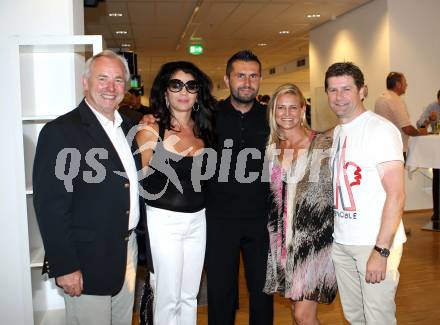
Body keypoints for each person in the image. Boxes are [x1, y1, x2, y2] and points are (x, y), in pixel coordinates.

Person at [33, 50, 153, 325]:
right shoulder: (60, 132)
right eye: (102, 79)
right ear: (85, 82)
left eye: (118, 80)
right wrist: (65, 266)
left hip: (127, 251)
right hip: (86, 259)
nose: (111, 88)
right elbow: (50, 206)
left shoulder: (129, 127)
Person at [326, 62, 407, 324]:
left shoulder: (379, 130)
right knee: (355, 317)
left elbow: (396, 195)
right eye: (333, 90)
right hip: (342, 243)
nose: (339, 97)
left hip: (373, 243)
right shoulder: (338, 132)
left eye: (346, 89)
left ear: (363, 91)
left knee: (378, 319)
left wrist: (381, 251)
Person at [136, 61, 216, 325]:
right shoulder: (150, 129)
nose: (184, 91)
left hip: (198, 219)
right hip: (164, 220)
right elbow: (144, 183)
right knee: (168, 296)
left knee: (189, 295)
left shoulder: (206, 129)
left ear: (198, 93)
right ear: (165, 91)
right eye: (176, 84)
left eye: (191, 85)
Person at [205, 50, 273, 325]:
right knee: (221, 294)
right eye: (240, 75)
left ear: (259, 79)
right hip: (219, 220)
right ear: (227, 79)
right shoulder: (208, 116)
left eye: (253, 76)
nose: (247, 82)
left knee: (262, 294)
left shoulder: (272, 118)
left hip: (262, 220)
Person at [263, 83, 337, 324]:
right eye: (280, 108)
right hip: (283, 242)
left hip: (314, 242)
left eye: (292, 107)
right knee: (297, 310)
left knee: (303, 315)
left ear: (302, 109)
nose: (287, 114)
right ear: (273, 112)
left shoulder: (323, 143)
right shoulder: (271, 149)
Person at [374, 72, 426, 157]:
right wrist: (420, 133)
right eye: (405, 82)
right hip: (395, 150)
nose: (406, 85)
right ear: (398, 84)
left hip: (382, 148)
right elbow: (407, 128)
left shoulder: (380, 98)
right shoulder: (395, 100)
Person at [417, 89, 440, 224]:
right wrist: (428, 119)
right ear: (437, 99)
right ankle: (437, 212)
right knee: (437, 178)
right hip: (437, 149)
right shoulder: (432, 107)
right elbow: (419, 124)